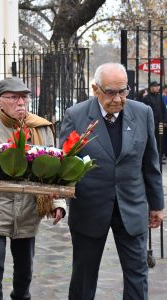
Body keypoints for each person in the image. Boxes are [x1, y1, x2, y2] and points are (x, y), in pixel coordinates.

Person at [59, 62, 164, 300]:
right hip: (89, 208)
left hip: (132, 207)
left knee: (137, 276)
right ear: (96, 89)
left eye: (123, 91)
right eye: (111, 92)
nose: (118, 98)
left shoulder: (142, 112)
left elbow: (151, 163)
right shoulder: (75, 116)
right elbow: (64, 165)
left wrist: (157, 205)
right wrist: (57, 200)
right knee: (84, 277)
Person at [0, 77, 67, 300]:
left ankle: (21, 296)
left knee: (25, 268)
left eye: (24, 97)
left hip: (28, 209)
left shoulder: (41, 128)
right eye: (13, 97)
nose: (21, 102)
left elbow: (55, 170)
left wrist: (57, 202)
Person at [140, 81, 167, 161]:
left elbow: (164, 109)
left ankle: (160, 156)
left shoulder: (160, 97)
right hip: (151, 123)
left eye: (158, 86)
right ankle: (151, 157)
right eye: (156, 86)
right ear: (151, 87)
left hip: (160, 123)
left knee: (160, 139)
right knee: (151, 139)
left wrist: (165, 121)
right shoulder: (146, 98)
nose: (158, 88)